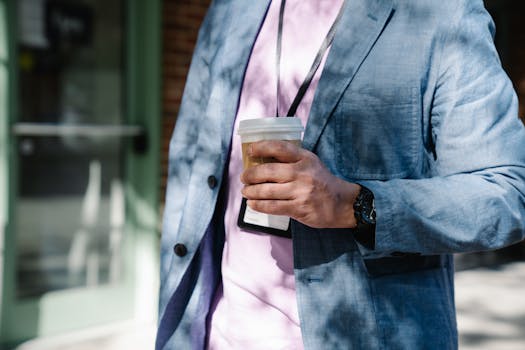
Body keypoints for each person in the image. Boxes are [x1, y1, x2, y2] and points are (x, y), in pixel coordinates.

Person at [156, 0, 525, 349]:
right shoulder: (233, 8)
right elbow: (191, 161)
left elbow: (504, 192)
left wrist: (353, 205)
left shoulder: (442, 13)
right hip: (218, 334)